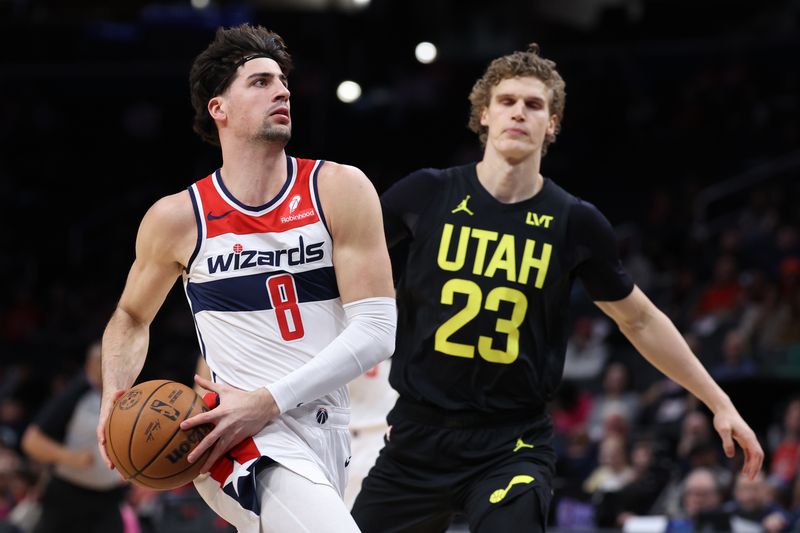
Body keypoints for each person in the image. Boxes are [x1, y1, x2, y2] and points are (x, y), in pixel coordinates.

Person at [351, 43, 764, 533]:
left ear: (553, 124)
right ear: (483, 113)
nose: (518, 113)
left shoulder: (575, 222)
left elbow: (640, 318)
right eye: (506, 102)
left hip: (512, 443)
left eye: (534, 104)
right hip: (417, 435)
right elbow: (340, 260)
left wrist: (719, 402)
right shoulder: (426, 193)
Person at [95, 23, 396, 533]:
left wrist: (268, 401)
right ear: (219, 109)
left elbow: (377, 330)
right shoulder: (178, 218)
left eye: (282, 81)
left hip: (327, 431)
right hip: (233, 440)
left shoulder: (339, 188)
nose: (281, 90)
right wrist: (114, 393)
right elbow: (130, 316)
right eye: (259, 82)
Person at [22, 341, 131, 533]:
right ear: (90, 365)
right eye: (103, 362)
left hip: (108, 498)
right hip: (69, 495)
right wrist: (70, 457)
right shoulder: (76, 393)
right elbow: (31, 440)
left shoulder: (124, 395)